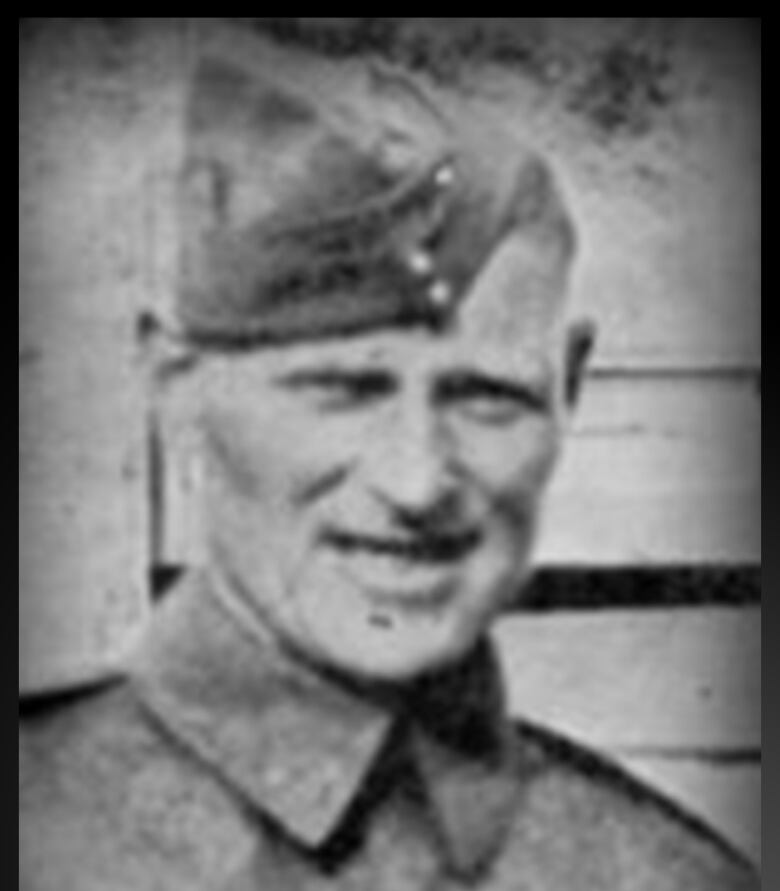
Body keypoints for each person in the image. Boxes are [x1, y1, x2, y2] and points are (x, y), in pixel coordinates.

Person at [20, 45, 759, 890]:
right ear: (175, 386)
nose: (417, 483)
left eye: (486, 396)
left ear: (569, 389)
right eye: (341, 389)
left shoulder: (666, 875)